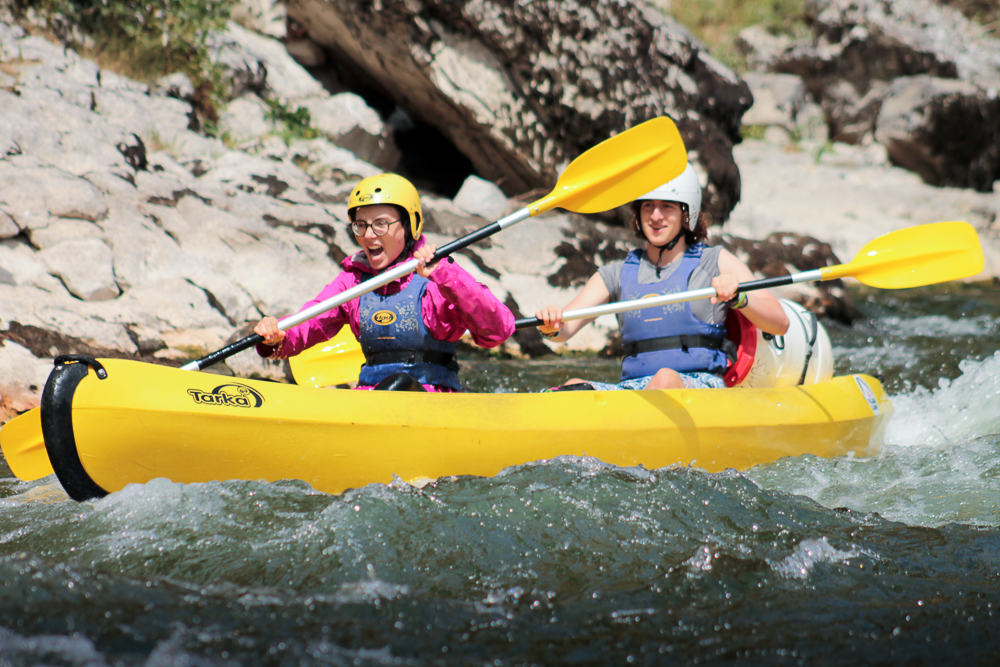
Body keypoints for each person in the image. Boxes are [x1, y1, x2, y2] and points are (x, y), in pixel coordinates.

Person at [534, 163, 789, 391]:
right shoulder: (616, 273)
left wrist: (738, 297)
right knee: (573, 388)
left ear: (686, 213)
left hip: (701, 386)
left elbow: (779, 323)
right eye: (648, 206)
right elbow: (564, 331)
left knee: (665, 378)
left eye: (667, 206)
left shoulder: (715, 261)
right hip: (635, 390)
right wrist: (550, 325)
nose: (655, 216)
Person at [254, 173, 515, 392]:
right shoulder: (353, 282)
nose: (368, 235)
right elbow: (311, 322)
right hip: (372, 402)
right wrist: (277, 337)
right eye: (361, 225)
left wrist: (446, 274)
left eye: (380, 224)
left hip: (432, 405)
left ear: (410, 225)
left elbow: (498, 330)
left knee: (400, 384)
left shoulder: (437, 280)